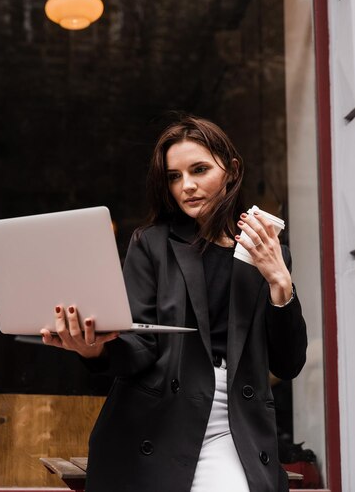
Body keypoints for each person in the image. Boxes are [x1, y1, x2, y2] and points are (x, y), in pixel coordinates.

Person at [41, 115, 307, 492]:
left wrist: (280, 283)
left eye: (199, 170)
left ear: (231, 171)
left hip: (235, 422)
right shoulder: (152, 243)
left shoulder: (267, 251)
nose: (187, 186)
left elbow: (288, 362)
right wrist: (96, 349)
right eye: (174, 176)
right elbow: (139, 343)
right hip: (158, 419)